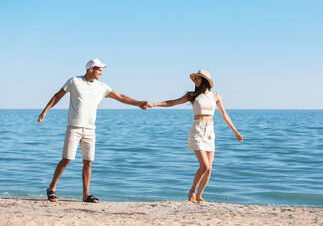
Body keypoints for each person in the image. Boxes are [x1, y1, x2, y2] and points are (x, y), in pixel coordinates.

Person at [38, 58, 148, 203]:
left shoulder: (102, 87)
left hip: (90, 129)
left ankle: (86, 194)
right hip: (74, 127)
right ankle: (51, 188)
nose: (101, 73)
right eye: (99, 69)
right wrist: (44, 112)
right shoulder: (74, 81)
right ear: (91, 69)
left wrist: (138, 103)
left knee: (88, 161)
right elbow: (57, 96)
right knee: (67, 159)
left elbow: (120, 97)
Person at [148, 69, 243, 202]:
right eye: (196, 78)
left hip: (210, 132)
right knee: (204, 165)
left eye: (198, 78)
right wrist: (154, 104)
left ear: (205, 81)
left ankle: (198, 196)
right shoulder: (192, 95)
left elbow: (224, 114)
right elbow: (172, 102)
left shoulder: (216, 96)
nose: (196, 80)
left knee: (209, 169)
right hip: (197, 130)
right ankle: (192, 190)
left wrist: (235, 131)